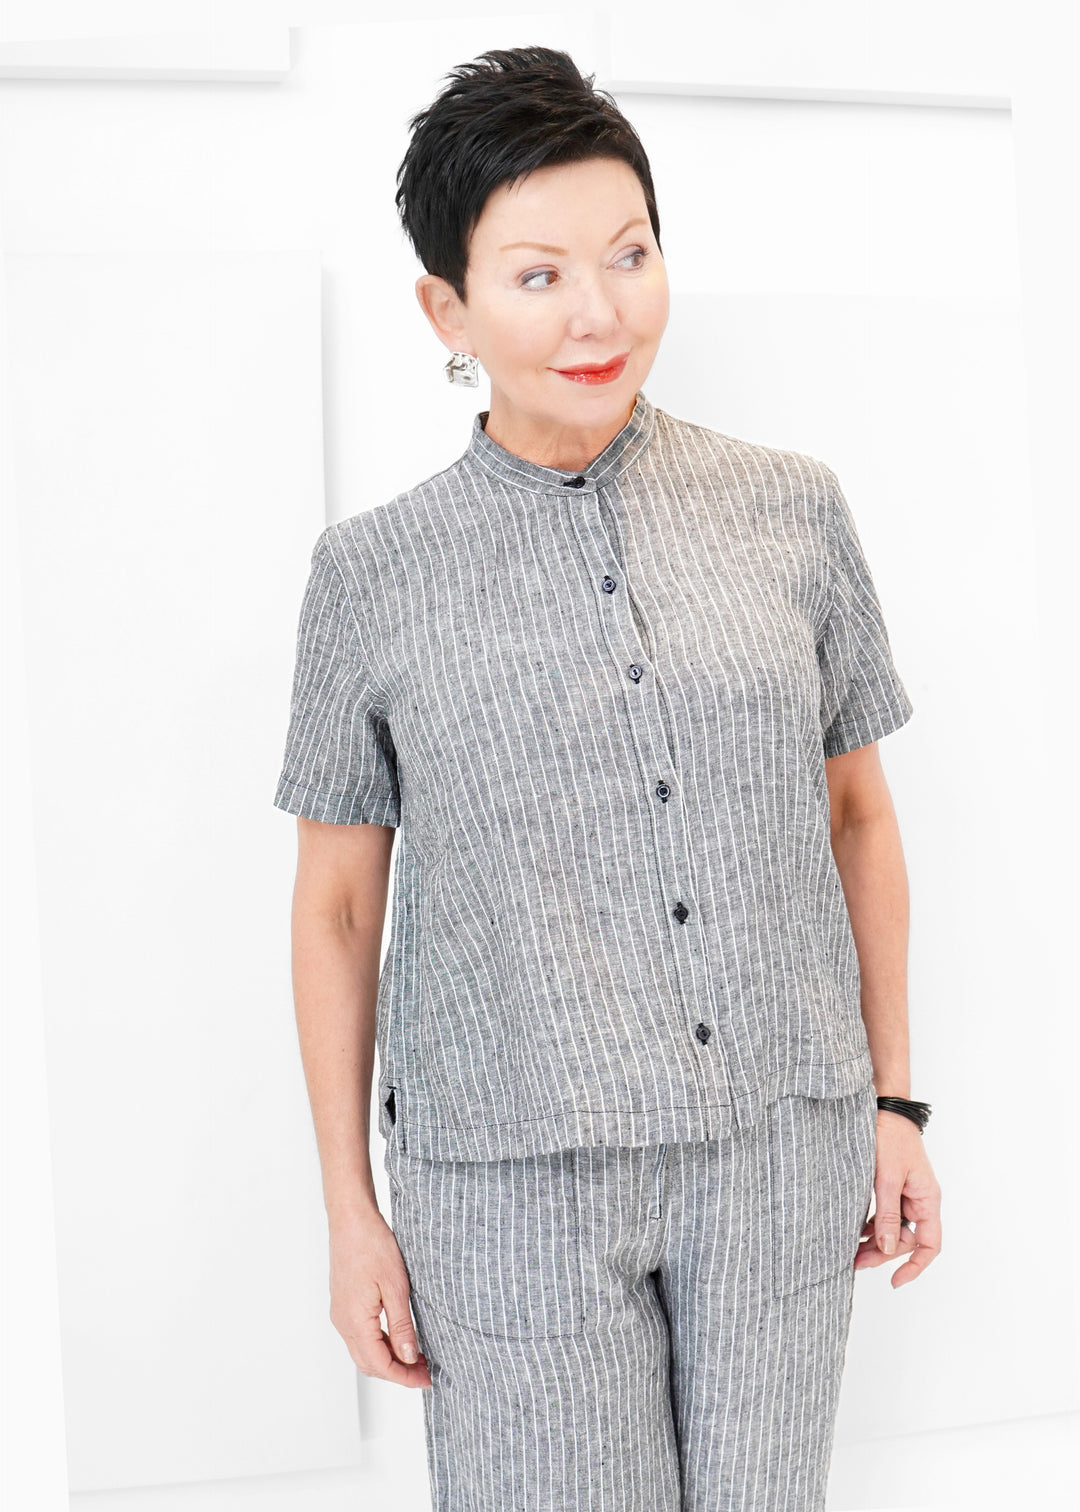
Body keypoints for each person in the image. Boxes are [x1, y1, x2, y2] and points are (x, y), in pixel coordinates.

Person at [272, 44, 942, 1512]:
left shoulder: (789, 509)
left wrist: (897, 1104)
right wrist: (349, 1211)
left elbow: (857, 815)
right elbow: (335, 909)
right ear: (446, 309)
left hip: (779, 1152)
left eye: (630, 255)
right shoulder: (373, 575)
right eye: (540, 275)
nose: (601, 312)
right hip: (508, 1188)